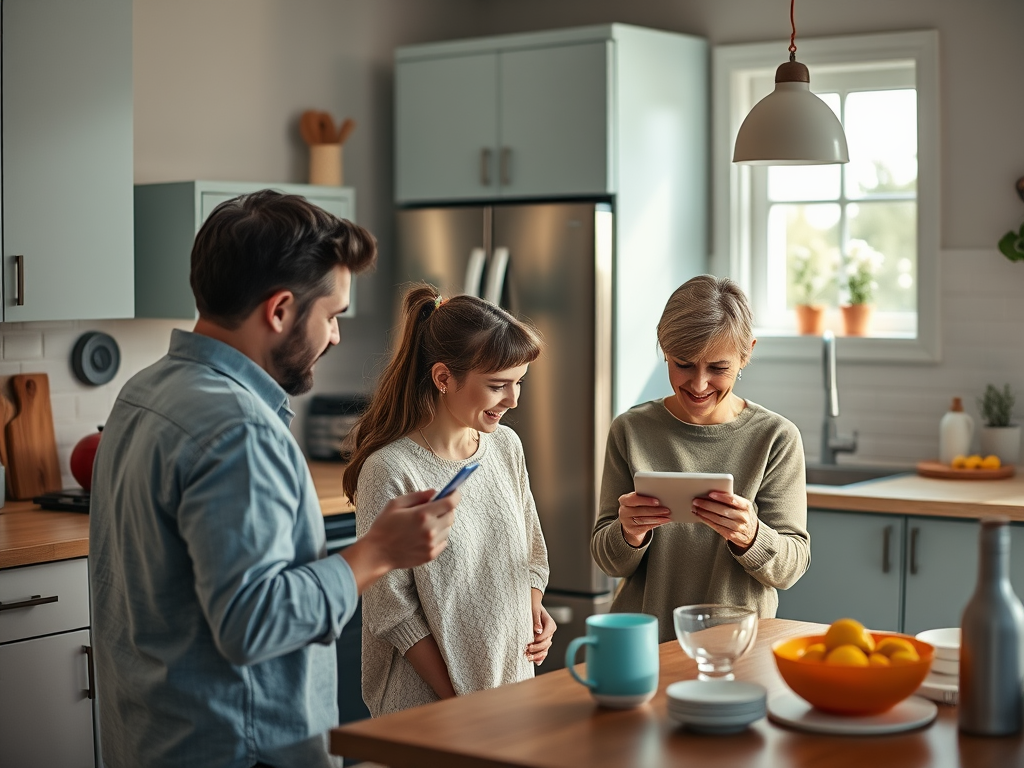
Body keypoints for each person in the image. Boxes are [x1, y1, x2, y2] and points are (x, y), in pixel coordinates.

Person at [89, 191, 458, 768]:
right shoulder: (238, 429)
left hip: (147, 738)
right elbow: (252, 622)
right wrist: (376, 554)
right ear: (280, 310)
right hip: (239, 749)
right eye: (332, 315)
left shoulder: (144, 391)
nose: (335, 337)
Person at [343, 284, 556, 717]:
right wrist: (462, 700)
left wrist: (532, 610)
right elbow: (392, 612)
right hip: (429, 706)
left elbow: (532, 553)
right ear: (443, 378)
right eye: (499, 386)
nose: (513, 400)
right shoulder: (392, 469)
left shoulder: (505, 447)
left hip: (510, 695)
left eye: (518, 384)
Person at [591, 274, 810, 642]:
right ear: (664, 349)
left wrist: (750, 535)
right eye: (683, 364)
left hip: (736, 646)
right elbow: (608, 560)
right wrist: (628, 533)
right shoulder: (630, 430)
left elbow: (790, 569)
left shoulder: (776, 438)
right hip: (643, 643)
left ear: (747, 353)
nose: (698, 384)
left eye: (718, 368)